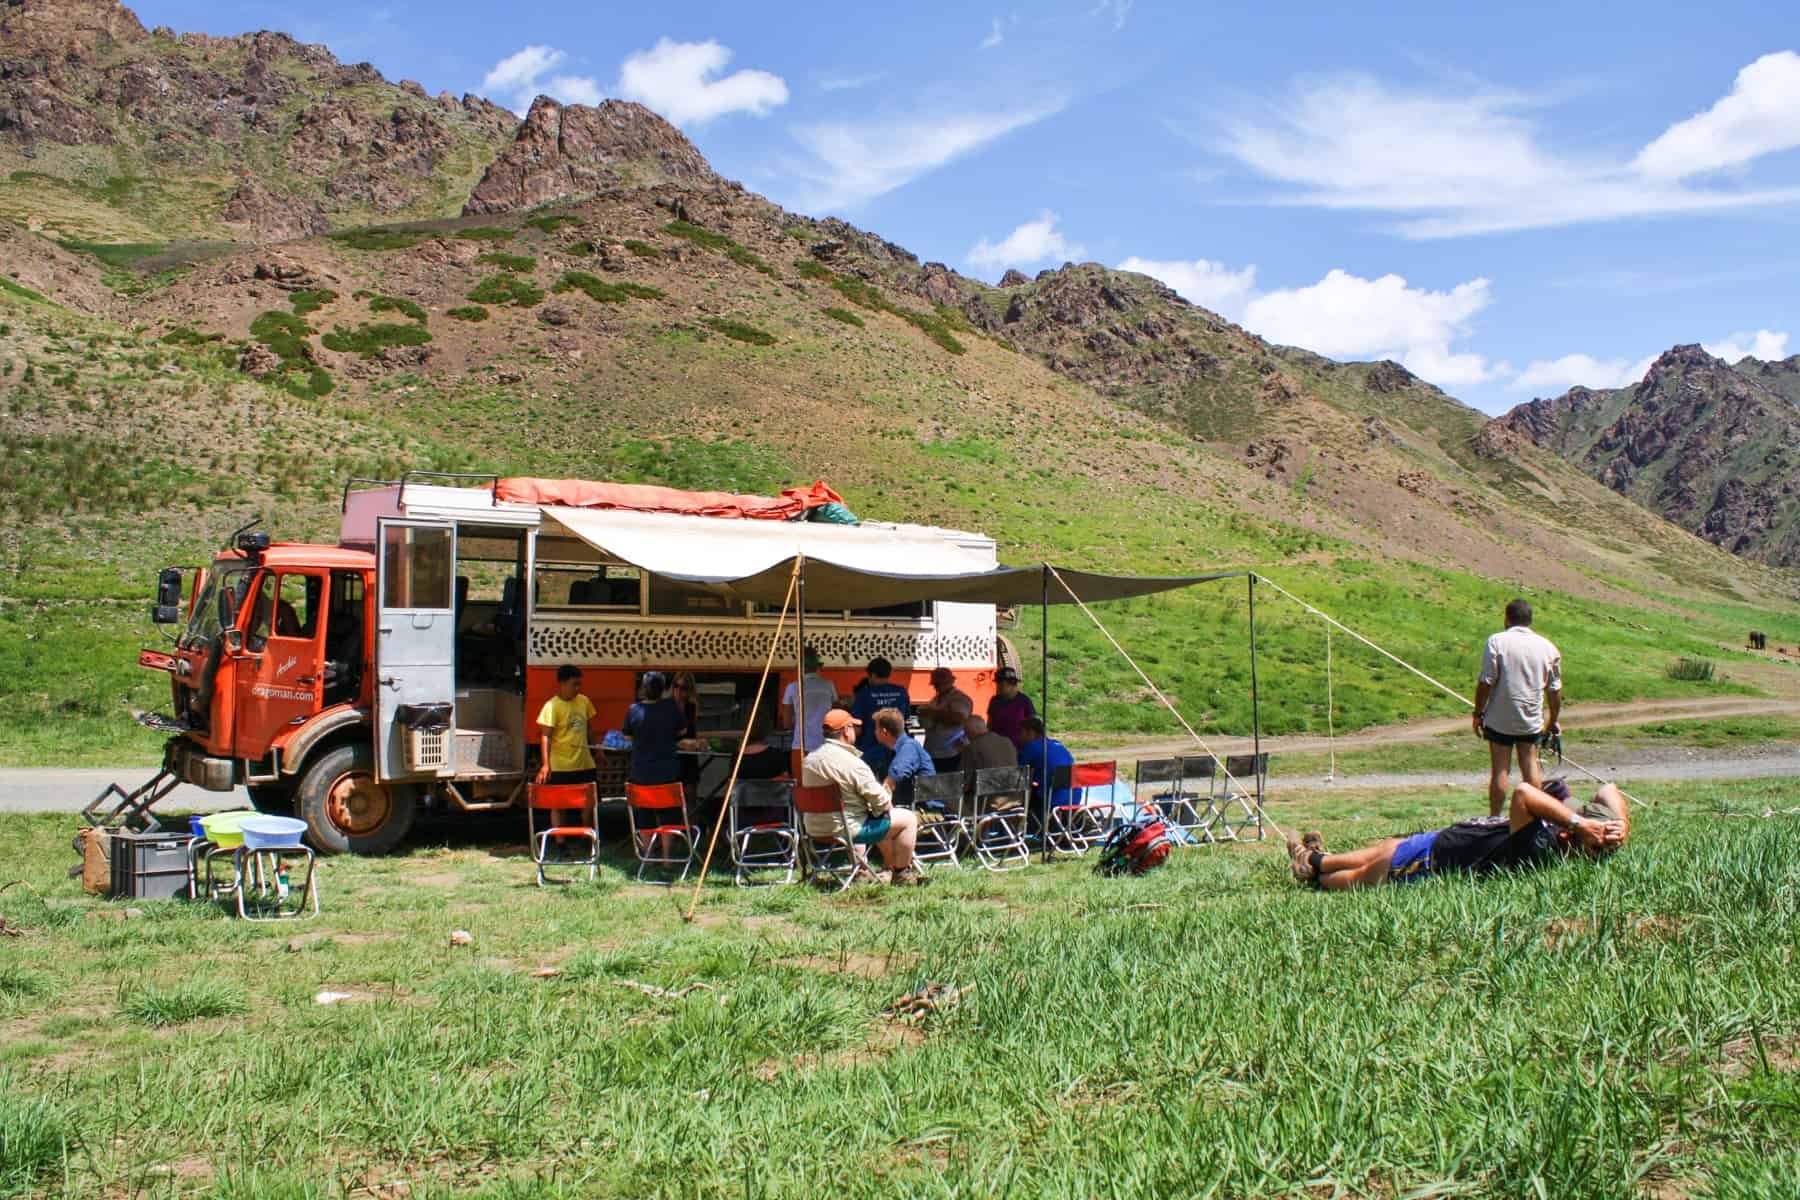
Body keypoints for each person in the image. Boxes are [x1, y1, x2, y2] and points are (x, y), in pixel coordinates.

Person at [1289, 778, 1628, 891]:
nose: (1571, 813)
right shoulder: (1569, 831)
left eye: (1577, 818)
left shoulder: (1540, 847)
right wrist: (1622, 825)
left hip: (1440, 858)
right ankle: (1317, 859)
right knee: (1387, 846)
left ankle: (1316, 877)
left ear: (1575, 837)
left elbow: (1524, 792)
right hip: (1451, 838)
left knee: (1369, 873)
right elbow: (1608, 789)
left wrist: (1578, 824)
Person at [800, 708, 921, 885]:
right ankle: (901, 873)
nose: (857, 731)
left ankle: (861, 871)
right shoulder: (853, 763)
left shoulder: (809, 760)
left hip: (814, 827)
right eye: (853, 727)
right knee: (908, 819)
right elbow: (881, 802)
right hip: (846, 829)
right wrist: (884, 804)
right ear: (846, 731)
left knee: (855, 815)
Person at [1474, 598, 1564, 817]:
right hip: (1530, 719)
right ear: (1529, 620)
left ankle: (1495, 817)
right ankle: (1534, 817)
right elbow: (1554, 691)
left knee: (1500, 769)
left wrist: (1478, 713)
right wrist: (1553, 721)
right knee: (1530, 764)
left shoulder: (1496, 641)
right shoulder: (1548, 647)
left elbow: (1486, 681)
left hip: (1499, 717)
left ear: (1507, 618)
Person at [535, 664, 599, 785]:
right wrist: (546, 765)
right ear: (562, 683)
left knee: (590, 802)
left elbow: (589, 728)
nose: (578, 688)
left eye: (579, 684)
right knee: (563, 803)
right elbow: (546, 736)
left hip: (585, 765)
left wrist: (597, 750)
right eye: (574, 684)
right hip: (561, 768)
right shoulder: (551, 706)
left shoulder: (584, 701)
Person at [850, 657, 912, 778]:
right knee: (891, 787)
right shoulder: (901, 692)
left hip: (869, 749)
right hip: (895, 750)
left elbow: (856, 723)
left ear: (872, 675)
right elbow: (907, 715)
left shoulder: (864, 694)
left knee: (869, 786)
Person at [622, 670, 684, 786]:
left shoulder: (633, 710)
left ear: (644, 688)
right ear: (662, 689)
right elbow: (682, 731)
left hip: (640, 773)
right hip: (668, 773)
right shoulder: (671, 706)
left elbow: (627, 737)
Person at [871, 708, 935, 806]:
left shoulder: (909, 746)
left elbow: (896, 774)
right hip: (905, 805)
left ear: (884, 732)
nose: (874, 732)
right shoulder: (890, 748)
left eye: (876, 728)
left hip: (921, 808)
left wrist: (878, 801)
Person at [782, 647, 838, 753]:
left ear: (801, 667)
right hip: (825, 745)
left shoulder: (793, 687)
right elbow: (837, 715)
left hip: (801, 745)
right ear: (817, 667)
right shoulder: (828, 685)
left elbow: (786, 723)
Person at [919, 666, 974, 772]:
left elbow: (959, 718)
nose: (936, 688)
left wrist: (933, 714)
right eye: (935, 685)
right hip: (935, 751)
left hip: (951, 752)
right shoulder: (937, 698)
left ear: (950, 682)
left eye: (938, 684)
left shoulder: (959, 699)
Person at [1016, 716, 1075, 815]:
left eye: (1021, 733)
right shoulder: (1058, 744)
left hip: (1051, 800)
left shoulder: (1031, 747)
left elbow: (1018, 772)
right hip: (1073, 797)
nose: (1019, 737)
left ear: (1031, 733)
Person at [987, 667, 1036, 748]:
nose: (998, 687)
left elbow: (1033, 727)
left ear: (1012, 685)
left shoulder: (1024, 701)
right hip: (998, 744)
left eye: (1002, 685)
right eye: (997, 684)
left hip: (1018, 746)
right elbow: (990, 723)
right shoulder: (995, 701)